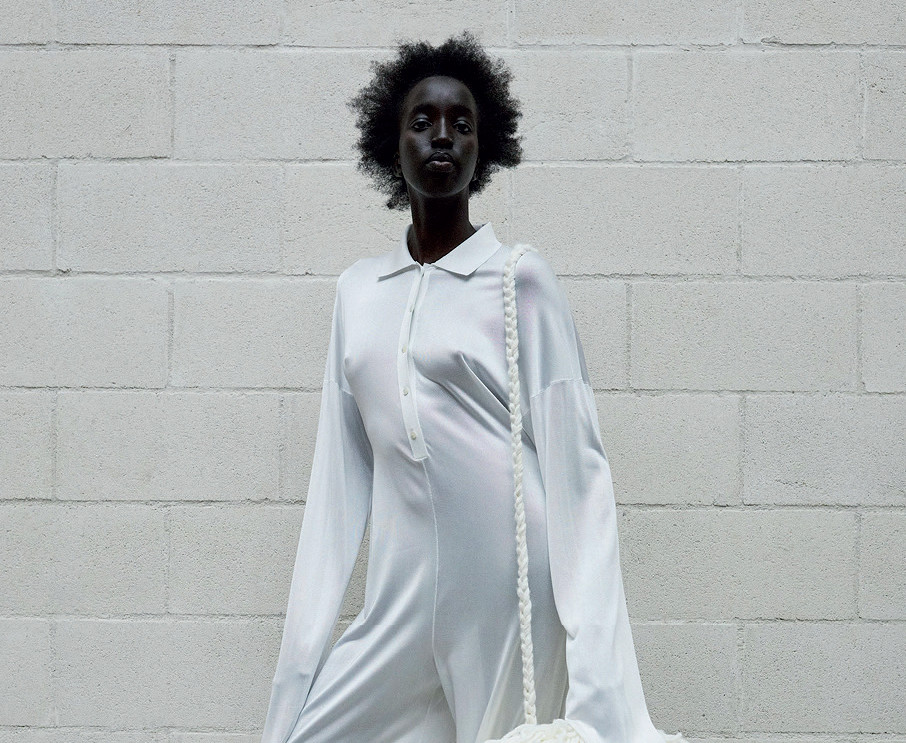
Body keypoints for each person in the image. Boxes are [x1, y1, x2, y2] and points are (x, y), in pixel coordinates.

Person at [260, 29, 687, 743]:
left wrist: (600, 679)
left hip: (509, 590)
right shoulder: (357, 292)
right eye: (422, 121)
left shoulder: (519, 278)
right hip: (399, 596)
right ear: (391, 143)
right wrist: (295, 676)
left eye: (462, 123)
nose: (442, 136)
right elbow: (336, 486)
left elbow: (579, 474)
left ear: (483, 149)